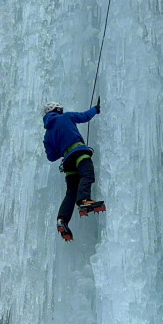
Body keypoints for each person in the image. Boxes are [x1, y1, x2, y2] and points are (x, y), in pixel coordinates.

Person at [42, 99, 106, 241]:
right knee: (87, 174)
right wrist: (96, 109)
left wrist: (62, 145)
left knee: (71, 192)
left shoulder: (47, 135)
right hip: (78, 152)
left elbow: (51, 156)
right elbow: (84, 116)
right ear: (58, 110)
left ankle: (62, 220)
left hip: (67, 161)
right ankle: (83, 200)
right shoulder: (66, 117)